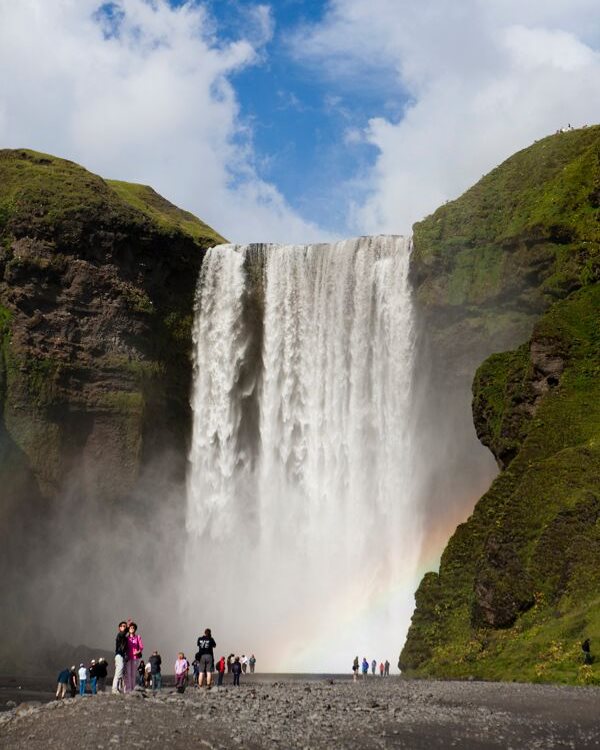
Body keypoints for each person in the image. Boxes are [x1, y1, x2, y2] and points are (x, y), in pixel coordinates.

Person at [125, 621, 144, 693]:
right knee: (128, 673)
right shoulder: (126, 638)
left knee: (133, 674)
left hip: (135, 658)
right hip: (128, 658)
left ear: (135, 629)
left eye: (133, 628)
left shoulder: (138, 637)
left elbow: (141, 647)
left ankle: (132, 688)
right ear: (128, 629)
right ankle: (128, 688)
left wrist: (138, 651)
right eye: (130, 627)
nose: (132, 628)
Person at [112, 621, 128, 694]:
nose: (124, 627)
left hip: (121, 655)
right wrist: (127, 627)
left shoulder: (124, 636)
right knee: (119, 671)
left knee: (119, 672)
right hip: (119, 655)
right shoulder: (120, 634)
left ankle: (117, 689)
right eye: (122, 626)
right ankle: (115, 689)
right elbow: (123, 633)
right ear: (119, 628)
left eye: (125, 626)